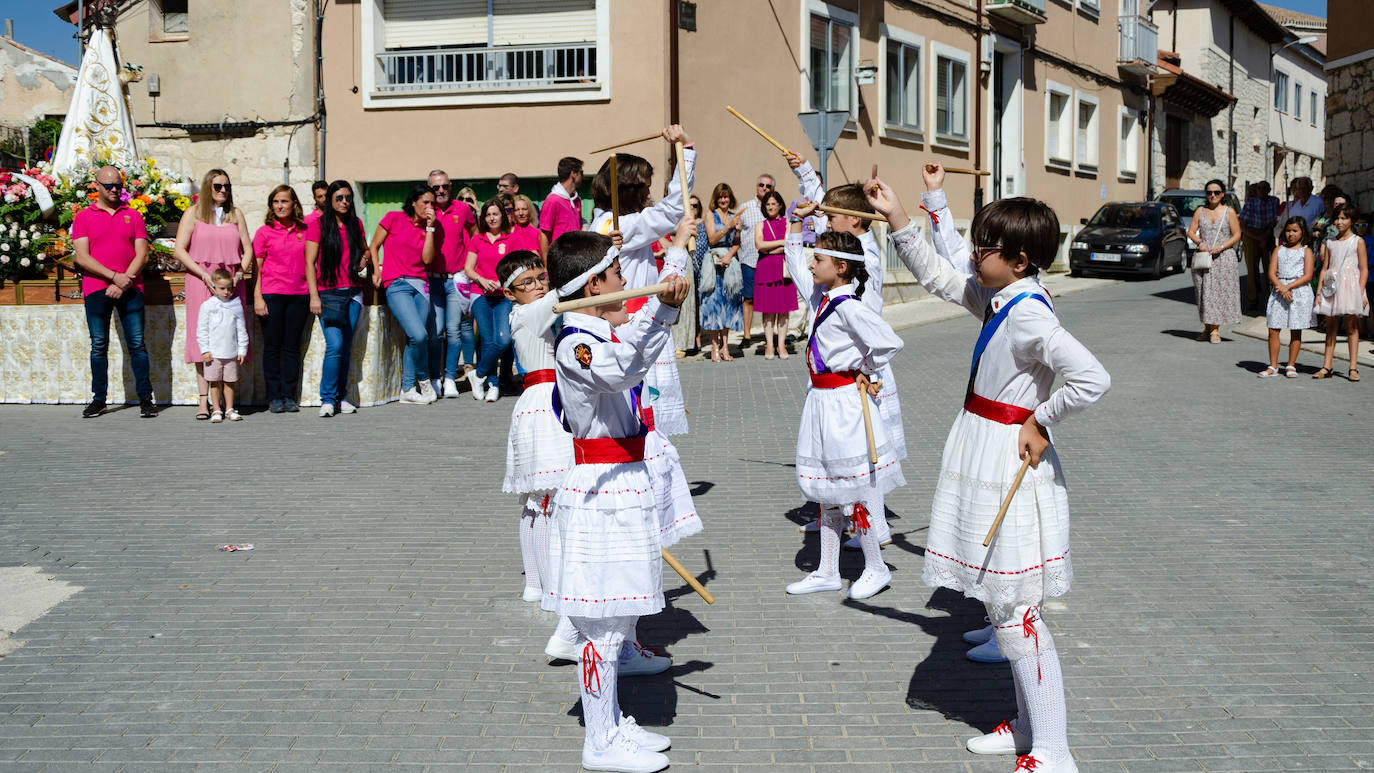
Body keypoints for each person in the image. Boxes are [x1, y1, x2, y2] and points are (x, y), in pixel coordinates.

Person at [869, 163, 1110, 773]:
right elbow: (940, 277)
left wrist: (1042, 418)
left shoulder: (1030, 311)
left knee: (1015, 613)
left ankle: (1054, 748)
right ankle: (1028, 725)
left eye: (986, 247)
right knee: (1003, 609)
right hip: (984, 446)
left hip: (1009, 456)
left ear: (1021, 260)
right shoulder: (1004, 297)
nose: (975, 254)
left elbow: (1092, 377)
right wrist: (902, 212)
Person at [541, 226, 690, 773]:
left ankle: (611, 722)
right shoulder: (575, 343)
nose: (625, 283)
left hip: (622, 481)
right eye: (615, 276)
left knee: (621, 613)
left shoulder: (598, 334)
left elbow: (628, 359)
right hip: (601, 487)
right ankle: (599, 740)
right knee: (601, 625)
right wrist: (663, 313)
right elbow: (622, 368)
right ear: (590, 287)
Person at [779, 210, 904, 601]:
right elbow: (796, 260)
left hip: (844, 404)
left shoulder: (849, 305)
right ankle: (828, 570)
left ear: (841, 267)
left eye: (818, 259)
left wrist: (864, 369)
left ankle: (876, 567)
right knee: (828, 487)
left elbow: (888, 342)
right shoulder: (826, 299)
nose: (812, 264)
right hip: (820, 401)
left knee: (856, 487)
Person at [586, 125, 695, 436]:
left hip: (633, 320)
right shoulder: (619, 223)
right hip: (633, 324)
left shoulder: (611, 221)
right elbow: (675, 208)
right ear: (629, 190)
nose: (650, 193)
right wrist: (685, 150)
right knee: (645, 414)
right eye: (646, 186)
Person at [498, 249, 571, 603]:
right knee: (546, 496)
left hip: (543, 400)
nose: (539, 286)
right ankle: (547, 584)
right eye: (527, 283)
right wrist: (605, 256)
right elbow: (566, 291)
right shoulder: (528, 314)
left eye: (541, 278)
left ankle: (536, 584)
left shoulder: (533, 311)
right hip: (544, 403)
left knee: (537, 497)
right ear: (510, 293)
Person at [71, 165, 156, 419]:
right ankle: (99, 399)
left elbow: (143, 253)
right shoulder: (84, 216)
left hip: (130, 287)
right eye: (109, 185)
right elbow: (82, 257)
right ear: (96, 185)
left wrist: (123, 281)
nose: (115, 189)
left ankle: (145, 399)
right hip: (97, 287)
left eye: (118, 185)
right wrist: (113, 277)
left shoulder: (133, 215)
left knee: (137, 345)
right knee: (99, 345)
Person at [174, 168, 253, 420]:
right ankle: (203, 400)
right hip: (201, 279)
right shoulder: (193, 214)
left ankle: (227, 402)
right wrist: (202, 274)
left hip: (230, 281)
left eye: (227, 186)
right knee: (204, 336)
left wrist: (240, 271)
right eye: (218, 186)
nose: (223, 191)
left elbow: (248, 249)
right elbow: (179, 250)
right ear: (208, 187)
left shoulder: (236, 214)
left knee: (228, 335)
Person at [305, 180, 371, 417]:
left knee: (347, 346)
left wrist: (364, 259)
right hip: (328, 294)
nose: (344, 202)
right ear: (330, 200)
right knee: (335, 346)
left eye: (347, 197)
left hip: (353, 293)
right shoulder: (318, 226)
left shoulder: (356, 224)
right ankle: (328, 398)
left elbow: (366, 250)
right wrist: (314, 296)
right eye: (339, 198)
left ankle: (342, 397)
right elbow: (310, 263)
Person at [371, 184, 439, 404]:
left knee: (416, 338)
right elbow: (374, 246)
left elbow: (427, 260)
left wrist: (430, 228)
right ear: (413, 202)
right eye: (425, 202)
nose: (429, 207)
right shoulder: (393, 217)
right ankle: (423, 379)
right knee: (419, 335)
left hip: (421, 284)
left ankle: (407, 389)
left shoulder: (428, 228)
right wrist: (375, 271)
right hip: (397, 283)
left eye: (432, 203)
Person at [252, 185, 310, 413]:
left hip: (299, 295)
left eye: (284, 201)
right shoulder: (264, 233)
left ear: (294, 204)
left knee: (292, 348)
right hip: (272, 295)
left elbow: (311, 263)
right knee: (273, 347)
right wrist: (257, 297)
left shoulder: (305, 231)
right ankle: (274, 396)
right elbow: (256, 268)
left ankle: (289, 395)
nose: (280, 206)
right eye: (276, 202)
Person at [427, 169, 478, 399]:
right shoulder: (426, 209)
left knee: (454, 330)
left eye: (444, 186)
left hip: (456, 279)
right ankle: (435, 377)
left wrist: (471, 264)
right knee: (436, 332)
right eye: (435, 187)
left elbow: (475, 234)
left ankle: (449, 378)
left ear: (450, 186)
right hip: (432, 280)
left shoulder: (463, 209)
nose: (440, 191)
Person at [465, 198, 519, 402]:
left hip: (503, 296)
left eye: (495, 214)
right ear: (483, 218)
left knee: (503, 339)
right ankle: (492, 385)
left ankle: (477, 375)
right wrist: (481, 279)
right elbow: (468, 268)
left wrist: (500, 280)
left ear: (502, 216)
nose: (492, 218)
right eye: (488, 215)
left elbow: (515, 268)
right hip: (480, 294)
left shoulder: (510, 239)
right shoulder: (477, 239)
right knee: (487, 341)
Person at [1312, 204, 1369, 381]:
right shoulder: (1330, 242)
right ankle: (1327, 365)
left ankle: (1353, 368)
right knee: (1331, 327)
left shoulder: (1358, 241)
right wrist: (1319, 293)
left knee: (1351, 326)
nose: (1339, 222)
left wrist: (1360, 292)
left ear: (1351, 220)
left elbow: (1364, 269)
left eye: (1344, 218)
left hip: (1351, 287)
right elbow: (1324, 268)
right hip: (1332, 286)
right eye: (1337, 218)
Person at [1187, 180, 1243, 344]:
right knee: (1204, 294)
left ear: (1223, 194)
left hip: (1223, 258)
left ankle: (1215, 331)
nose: (1213, 195)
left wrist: (1221, 246)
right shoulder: (1200, 211)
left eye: (1216, 192)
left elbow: (1237, 234)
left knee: (1218, 295)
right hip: (1204, 258)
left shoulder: (1229, 212)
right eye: (1209, 192)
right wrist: (1199, 242)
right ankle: (1207, 328)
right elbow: (1191, 231)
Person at [1258, 216, 1314, 378]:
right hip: (1279, 291)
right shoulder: (1279, 250)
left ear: (1302, 232)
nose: (1291, 234)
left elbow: (1308, 275)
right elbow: (1271, 272)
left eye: (1295, 231)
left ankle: (1291, 364)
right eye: (1288, 230)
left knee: (1295, 329)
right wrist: (1281, 288)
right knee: (1273, 328)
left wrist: (1288, 287)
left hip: (1298, 292)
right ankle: (1273, 365)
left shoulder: (1306, 251)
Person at [197, 268, 249, 423]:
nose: (226, 292)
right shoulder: (207, 306)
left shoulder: (236, 305)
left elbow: (242, 330)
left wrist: (242, 350)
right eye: (222, 288)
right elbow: (202, 330)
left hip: (231, 352)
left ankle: (229, 408)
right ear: (214, 286)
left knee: (230, 381)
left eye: (229, 288)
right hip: (213, 353)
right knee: (214, 381)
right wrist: (204, 350)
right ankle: (216, 409)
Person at [751, 189, 797, 359]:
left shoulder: (788, 223)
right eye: (767, 204)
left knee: (784, 311)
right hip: (766, 270)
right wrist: (780, 243)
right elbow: (759, 246)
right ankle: (769, 346)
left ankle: (781, 345)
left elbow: (790, 245)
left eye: (773, 204)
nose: (770, 207)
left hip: (783, 269)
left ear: (779, 205)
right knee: (768, 311)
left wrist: (770, 246)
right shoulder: (760, 225)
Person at [701, 182, 743, 362]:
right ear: (716, 199)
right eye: (720, 197)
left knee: (728, 303)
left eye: (726, 196)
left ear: (730, 198)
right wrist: (728, 226)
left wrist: (730, 256)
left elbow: (737, 241)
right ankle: (714, 346)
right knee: (713, 303)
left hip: (729, 261)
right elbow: (712, 239)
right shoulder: (710, 215)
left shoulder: (735, 216)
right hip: (713, 261)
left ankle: (726, 346)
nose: (723, 200)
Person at [737, 172, 775, 347]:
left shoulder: (773, 208)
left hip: (768, 260)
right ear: (757, 186)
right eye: (762, 185)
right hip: (748, 259)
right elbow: (736, 233)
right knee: (748, 298)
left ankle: (770, 335)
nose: (764, 188)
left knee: (769, 298)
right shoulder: (745, 208)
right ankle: (746, 335)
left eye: (768, 186)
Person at [1238, 181, 1280, 312]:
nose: (1262, 190)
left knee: (1271, 267)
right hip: (1251, 234)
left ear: (1269, 189)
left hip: (1268, 232)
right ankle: (1253, 298)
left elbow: (1275, 219)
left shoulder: (1274, 201)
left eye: (1265, 188)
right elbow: (1243, 224)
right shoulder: (1251, 202)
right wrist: (1258, 238)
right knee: (1252, 268)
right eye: (1259, 188)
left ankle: (1272, 298)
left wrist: (1266, 236)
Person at [539, 156, 584, 245]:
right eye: (581, 172)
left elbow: (580, 228)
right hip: (559, 257)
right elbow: (543, 235)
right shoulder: (552, 201)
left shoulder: (577, 200)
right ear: (573, 174)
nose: (582, 176)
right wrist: (545, 259)